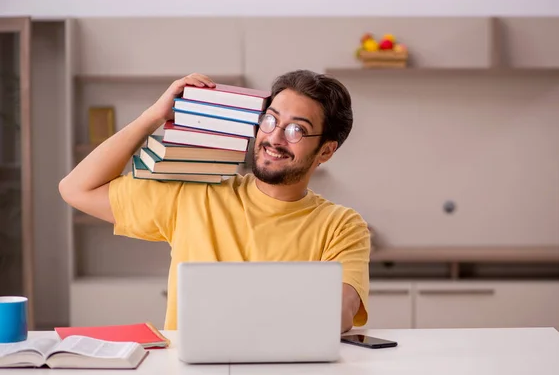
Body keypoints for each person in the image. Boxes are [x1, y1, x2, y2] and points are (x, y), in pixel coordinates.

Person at [59, 70, 371, 333]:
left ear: (326, 151)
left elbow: (341, 311)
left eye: (296, 130)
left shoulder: (342, 226)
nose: (274, 138)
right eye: (270, 121)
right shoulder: (194, 194)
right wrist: (153, 115)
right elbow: (76, 189)